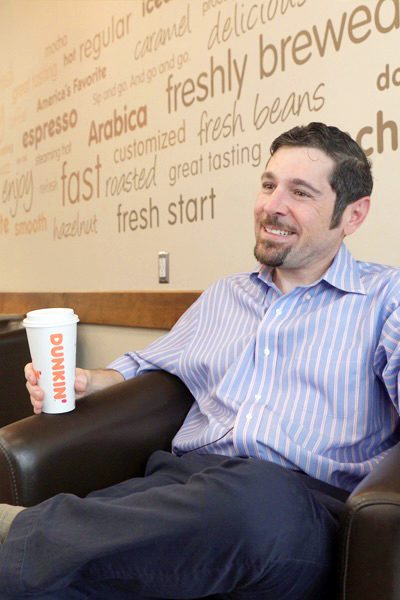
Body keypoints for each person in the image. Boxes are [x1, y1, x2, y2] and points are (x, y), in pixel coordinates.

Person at [1, 122, 399, 600]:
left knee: (259, 501)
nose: (272, 205)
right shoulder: (224, 296)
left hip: (298, 507)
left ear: (353, 214)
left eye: (300, 192)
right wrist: (87, 380)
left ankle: (20, 536)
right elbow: (140, 367)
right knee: (61, 578)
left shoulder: (385, 299)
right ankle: (35, 550)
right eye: (268, 184)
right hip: (181, 488)